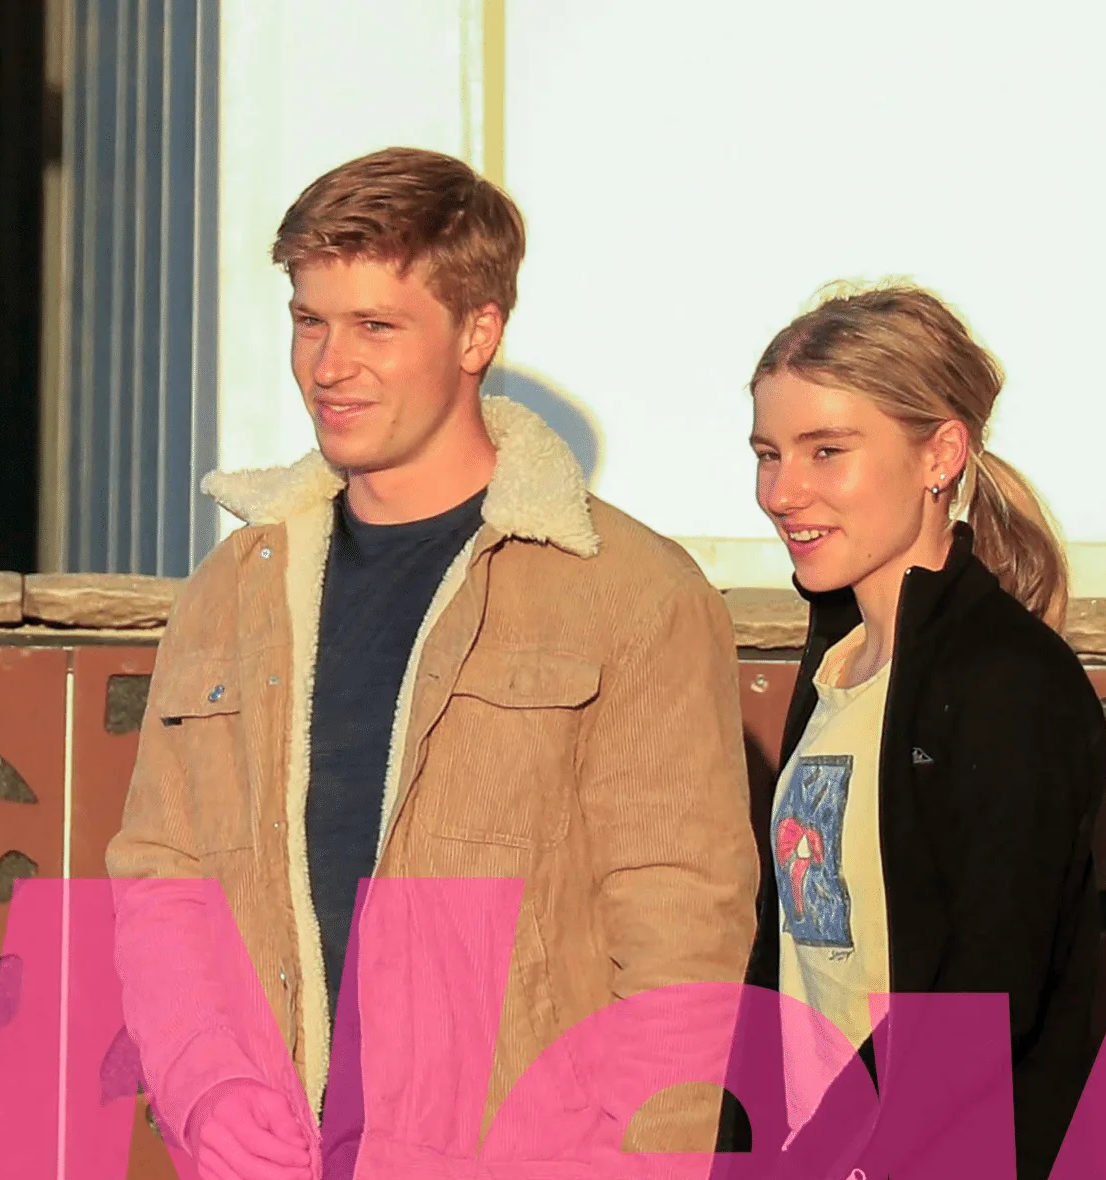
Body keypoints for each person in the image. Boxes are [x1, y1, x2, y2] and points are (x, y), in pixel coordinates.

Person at [106, 147, 758, 1180]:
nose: (329, 365)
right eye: (310, 321)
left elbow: (682, 933)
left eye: (375, 326)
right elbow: (163, 881)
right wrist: (206, 1088)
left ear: (477, 333)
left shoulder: (631, 593)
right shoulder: (233, 589)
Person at [730, 282, 1106, 1177]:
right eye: (768, 454)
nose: (783, 492)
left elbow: (988, 994)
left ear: (940, 454)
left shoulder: (1008, 682)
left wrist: (852, 1154)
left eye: (827, 451)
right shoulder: (838, 667)